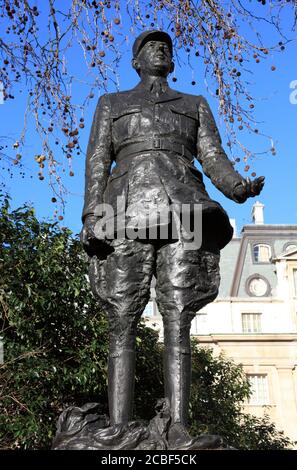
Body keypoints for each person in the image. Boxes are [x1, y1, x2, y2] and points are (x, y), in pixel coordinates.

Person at [80, 30, 264, 448]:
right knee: (121, 316)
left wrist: (238, 188)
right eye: (150, 46)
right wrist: (92, 215)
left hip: (186, 211)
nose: (159, 49)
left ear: (172, 60)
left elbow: (212, 155)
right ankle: (119, 425)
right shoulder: (111, 103)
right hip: (123, 210)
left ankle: (178, 426)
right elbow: (96, 161)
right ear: (136, 60)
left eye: (165, 46)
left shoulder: (193, 104)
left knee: (178, 315)